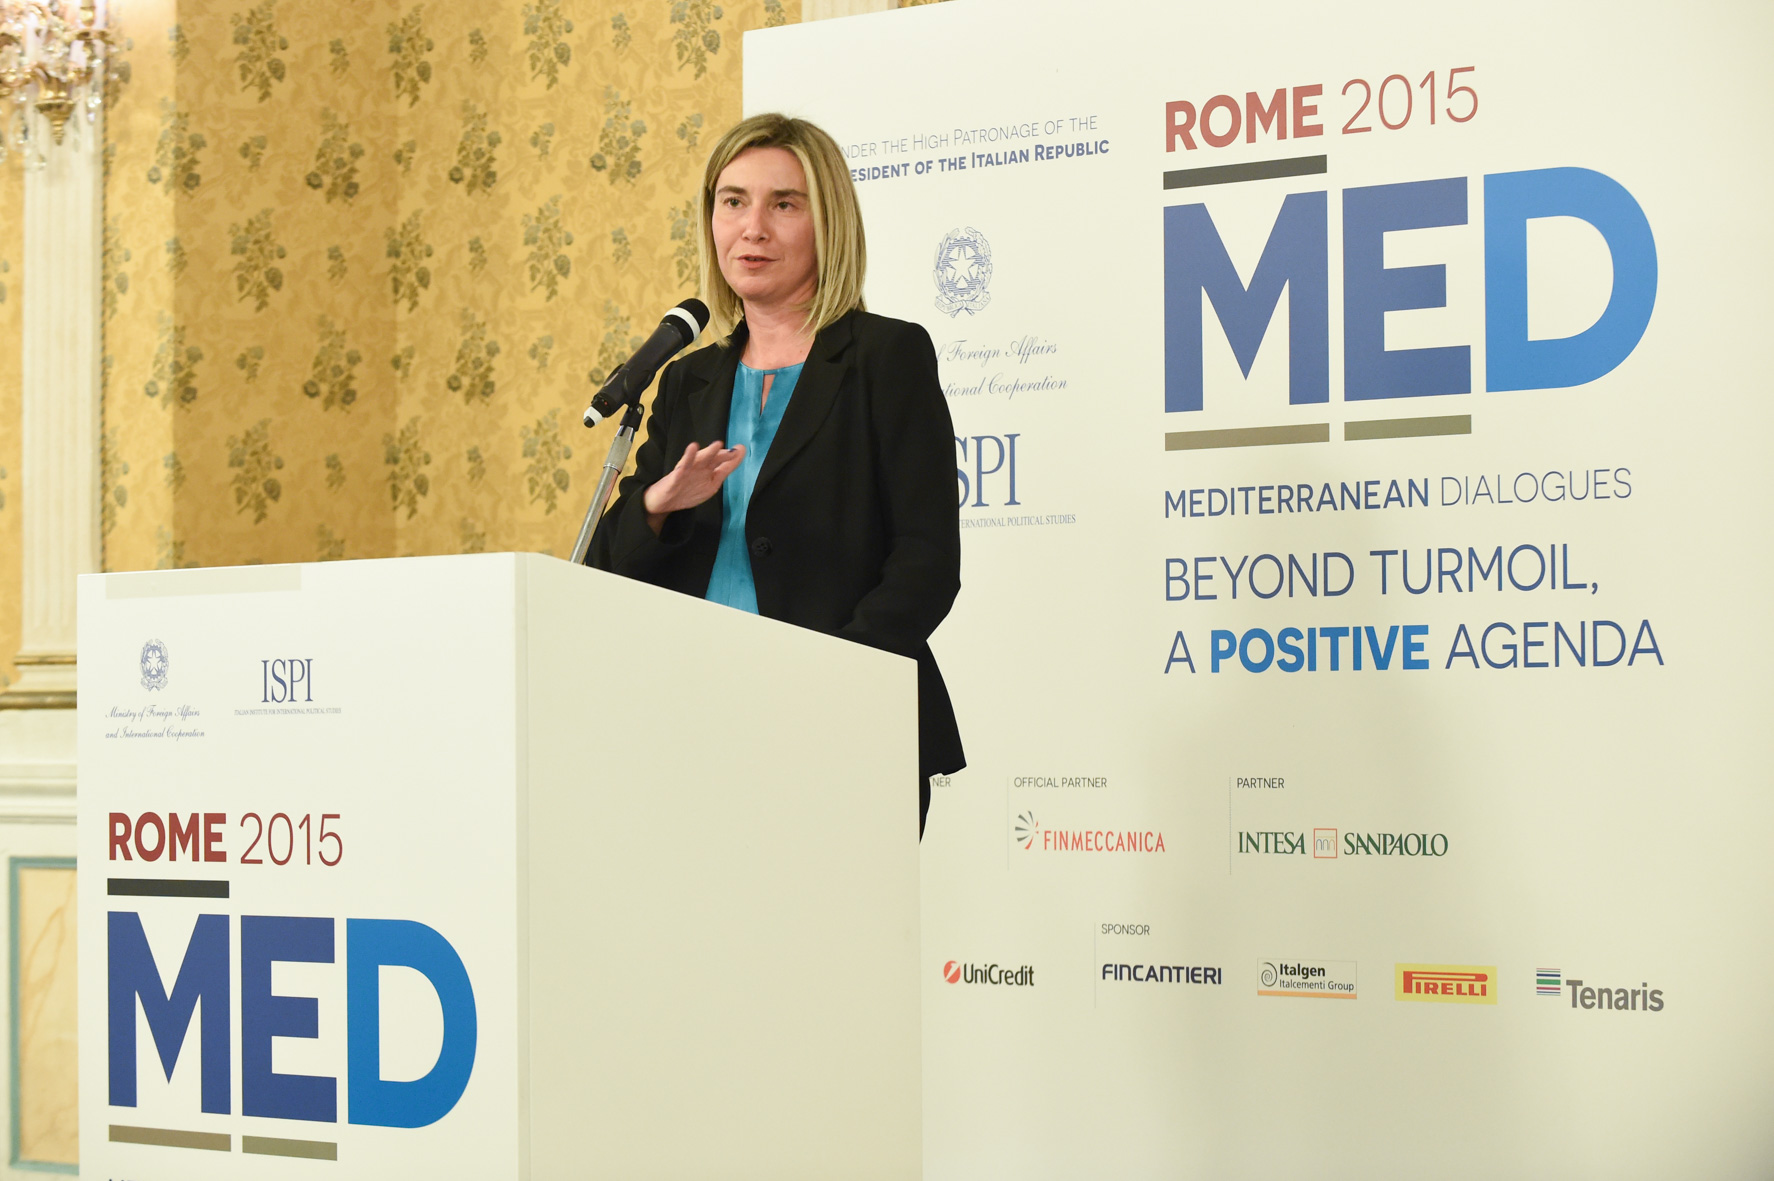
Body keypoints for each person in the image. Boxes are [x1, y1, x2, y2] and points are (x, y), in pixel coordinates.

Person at [587, 113, 964, 838]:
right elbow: (608, 570)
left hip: (842, 728)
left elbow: (925, 562)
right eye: (732, 202)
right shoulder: (688, 380)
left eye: (783, 204)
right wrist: (659, 503)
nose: (752, 228)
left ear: (828, 224)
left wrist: (828, 684)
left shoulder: (886, 357)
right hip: (692, 729)